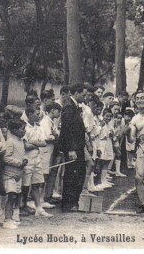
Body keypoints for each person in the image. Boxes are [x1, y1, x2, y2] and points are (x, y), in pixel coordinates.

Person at [58, 83, 87, 212]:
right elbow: (67, 129)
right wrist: (71, 149)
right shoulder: (69, 107)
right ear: (76, 93)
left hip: (77, 146)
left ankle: (72, 201)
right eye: (83, 94)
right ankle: (69, 203)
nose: (85, 97)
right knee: (73, 175)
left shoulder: (74, 105)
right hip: (73, 147)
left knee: (78, 173)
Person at [2, 119, 28, 230]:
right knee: (11, 196)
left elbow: (22, 154)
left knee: (15, 196)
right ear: (14, 130)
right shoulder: (10, 141)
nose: (24, 131)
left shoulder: (21, 141)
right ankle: (7, 220)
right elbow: (6, 157)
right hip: (10, 173)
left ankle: (11, 217)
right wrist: (19, 163)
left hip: (18, 174)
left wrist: (25, 160)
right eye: (22, 129)